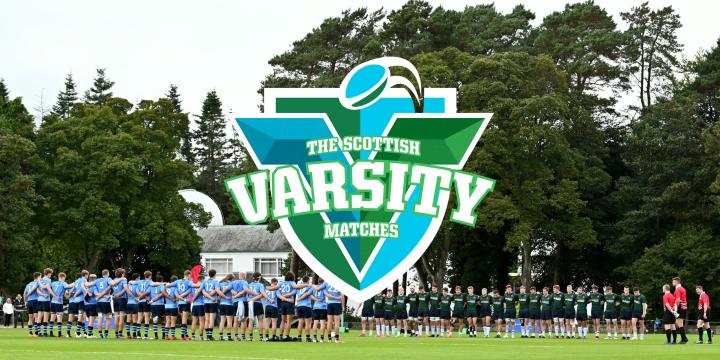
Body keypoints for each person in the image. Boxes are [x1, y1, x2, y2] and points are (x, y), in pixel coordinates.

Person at [49, 272, 71, 337]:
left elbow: (48, 288)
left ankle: (51, 333)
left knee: (52, 317)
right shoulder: (64, 283)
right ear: (63, 277)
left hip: (53, 302)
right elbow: (67, 291)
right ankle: (59, 333)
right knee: (59, 317)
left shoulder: (53, 283)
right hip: (59, 302)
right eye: (64, 278)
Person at [67, 271, 88, 338]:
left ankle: (68, 333)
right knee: (81, 317)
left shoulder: (74, 283)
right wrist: (76, 294)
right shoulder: (82, 280)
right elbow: (82, 288)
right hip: (80, 300)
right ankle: (78, 333)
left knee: (71, 318)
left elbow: (67, 294)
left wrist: (71, 294)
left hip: (72, 302)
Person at [202, 269, 220, 341]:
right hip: (212, 302)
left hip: (206, 302)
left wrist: (207, 296)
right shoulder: (216, 281)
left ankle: (207, 335)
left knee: (207, 319)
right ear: (215, 274)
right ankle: (210, 336)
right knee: (212, 319)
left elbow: (203, 291)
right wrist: (211, 297)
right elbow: (216, 290)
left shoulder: (205, 281)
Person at [110, 268, 128, 339]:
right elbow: (125, 289)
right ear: (122, 274)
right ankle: (120, 334)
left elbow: (112, 287)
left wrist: (116, 295)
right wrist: (119, 294)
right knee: (122, 317)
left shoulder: (114, 280)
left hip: (115, 299)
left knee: (116, 317)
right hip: (122, 299)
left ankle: (116, 334)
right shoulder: (124, 280)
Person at [295, 275, 313, 342]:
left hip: (299, 306)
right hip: (306, 306)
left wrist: (298, 299)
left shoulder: (299, 287)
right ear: (308, 280)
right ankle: (308, 338)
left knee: (300, 322)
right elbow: (307, 294)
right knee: (307, 323)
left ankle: (299, 337)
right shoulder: (309, 287)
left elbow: (295, 292)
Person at [672, 277, 689, 344]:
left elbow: (678, 299)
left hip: (680, 307)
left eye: (673, 281)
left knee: (680, 323)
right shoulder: (682, 288)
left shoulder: (678, 289)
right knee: (676, 323)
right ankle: (677, 339)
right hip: (684, 307)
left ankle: (684, 339)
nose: (672, 283)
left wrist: (675, 308)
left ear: (676, 282)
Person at [218, 273, 235, 341]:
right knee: (229, 321)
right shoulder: (232, 284)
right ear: (232, 279)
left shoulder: (221, 284)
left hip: (222, 303)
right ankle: (229, 336)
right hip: (229, 304)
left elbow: (219, 292)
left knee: (222, 320)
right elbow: (234, 293)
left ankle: (221, 336)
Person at [24, 272, 40, 336]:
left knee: (30, 318)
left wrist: (25, 301)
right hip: (35, 300)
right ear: (38, 277)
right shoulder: (37, 283)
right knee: (36, 317)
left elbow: (24, 293)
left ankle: (30, 333)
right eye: (40, 277)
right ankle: (36, 332)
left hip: (29, 301)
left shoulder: (28, 284)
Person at [190, 274, 205, 340]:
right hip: (200, 304)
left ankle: (193, 335)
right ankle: (201, 336)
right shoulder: (201, 285)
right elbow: (203, 293)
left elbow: (188, 292)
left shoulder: (193, 286)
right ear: (202, 279)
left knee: (194, 321)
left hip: (194, 305)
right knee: (201, 321)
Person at [83, 274, 98, 338]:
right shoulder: (94, 287)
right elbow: (96, 294)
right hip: (93, 304)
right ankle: (89, 334)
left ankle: (89, 333)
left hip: (86, 304)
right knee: (91, 320)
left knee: (89, 320)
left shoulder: (86, 286)